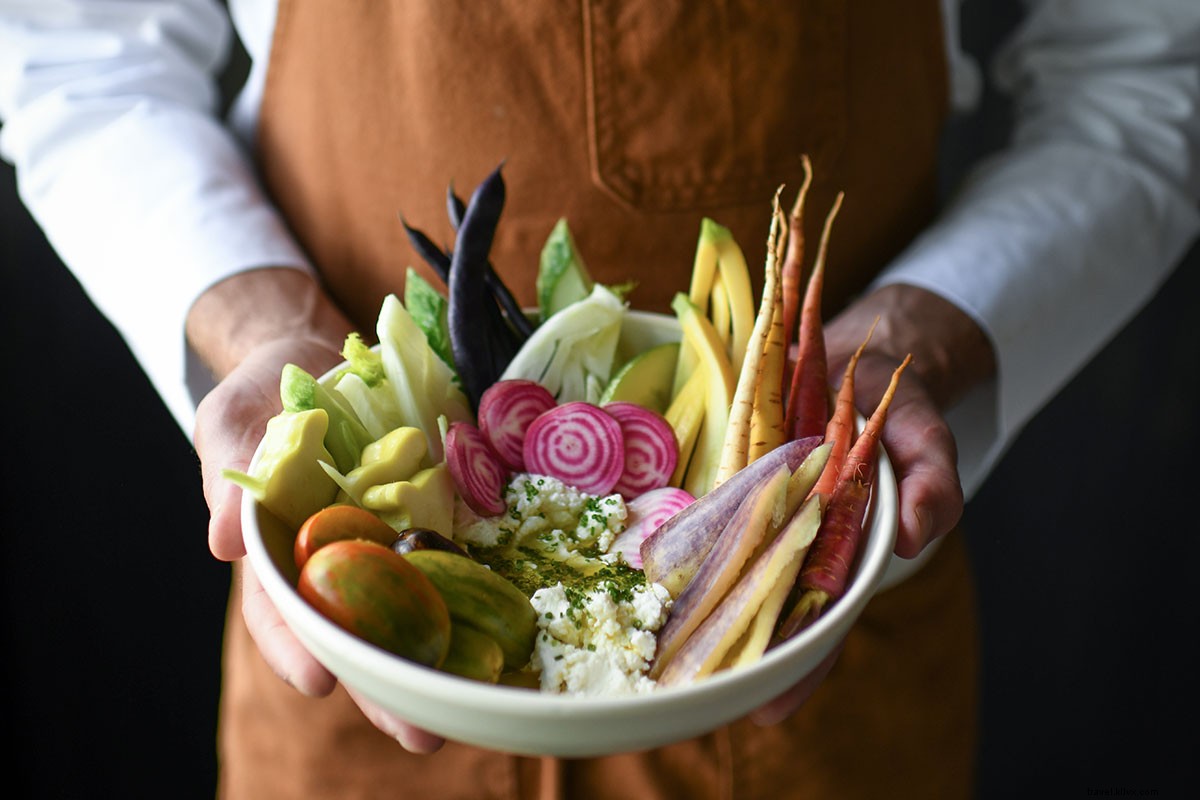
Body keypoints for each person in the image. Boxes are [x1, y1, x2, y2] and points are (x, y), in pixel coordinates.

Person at [2, 1, 1197, 797]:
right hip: (361, 652)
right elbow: (78, 56)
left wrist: (909, 341)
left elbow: (1144, 76)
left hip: (816, 637)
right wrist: (273, 335)